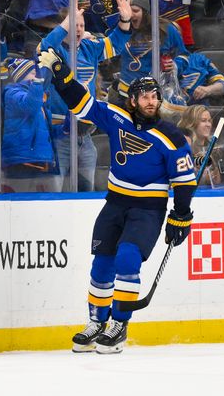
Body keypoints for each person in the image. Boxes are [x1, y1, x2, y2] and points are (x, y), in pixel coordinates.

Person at [37, 49, 197, 354]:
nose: (151, 100)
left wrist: (181, 215)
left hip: (147, 210)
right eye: (145, 96)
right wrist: (61, 73)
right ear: (133, 101)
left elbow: (184, 181)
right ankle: (96, 321)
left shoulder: (171, 136)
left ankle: (119, 324)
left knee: (127, 259)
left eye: (155, 95)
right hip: (114, 204)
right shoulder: (116, 117)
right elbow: (82, 105)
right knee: (102, 264)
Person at [40, 0, 133, 192]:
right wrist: (66, 23)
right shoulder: (54, 50)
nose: (79, 29)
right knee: (54, 192)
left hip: (86, 135)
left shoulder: (89, 48)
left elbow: (114, 45)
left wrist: (125, 20)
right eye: (74, 25)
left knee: (87, 192)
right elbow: (44, 48)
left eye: (81, 25)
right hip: (59, 135)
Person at [2, 58, 57, 192]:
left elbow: (43, 130)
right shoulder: (12, 93)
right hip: (22, 161)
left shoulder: (38, 96)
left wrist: (65, 129)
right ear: (21, 76)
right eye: (33, 73)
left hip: (40, 160)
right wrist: (38, 83)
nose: (37, 76)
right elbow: (29, 106)